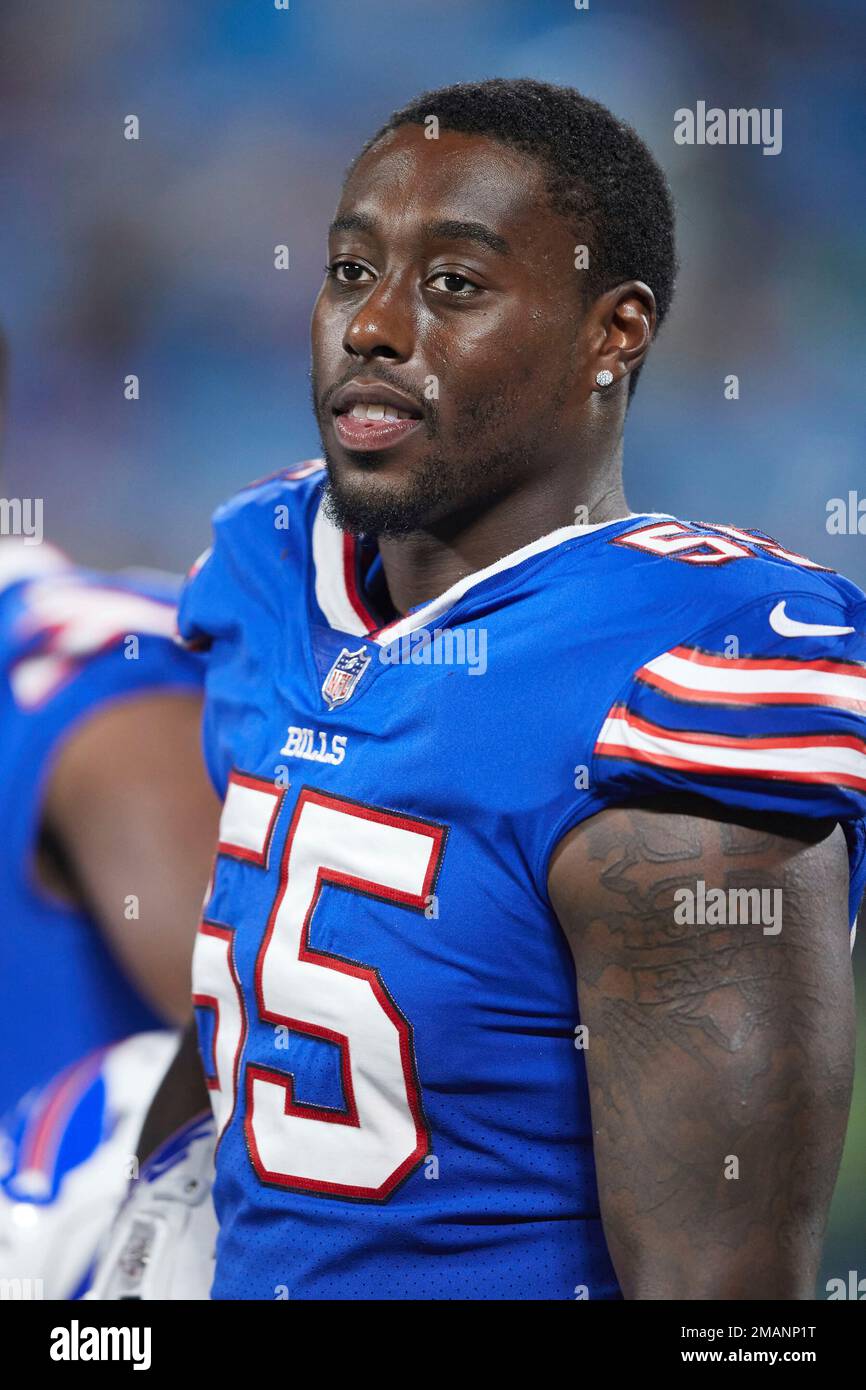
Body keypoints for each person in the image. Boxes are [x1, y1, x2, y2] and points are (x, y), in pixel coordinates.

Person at [172, 78, 864, 1299]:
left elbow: (722, 1303)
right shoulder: (263, 566)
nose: (373, 327)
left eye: (452, 285)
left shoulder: (680, 667)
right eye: (348, 270)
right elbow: (262, 967)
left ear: (614, 332)